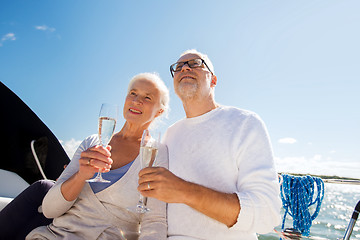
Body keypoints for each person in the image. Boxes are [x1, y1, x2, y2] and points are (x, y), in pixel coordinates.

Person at [138, 50, 282, 239]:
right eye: (178, 67)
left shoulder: (245, 123)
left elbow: (266, 215)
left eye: (195, 63)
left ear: (213, 80)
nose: (185, 68)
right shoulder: (170, 134)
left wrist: (184, 191)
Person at [25, 72, 170, 240]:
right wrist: (81, 176)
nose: (137, 101)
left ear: (159, 111)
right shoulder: (91, 142)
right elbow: (49, 210)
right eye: (133, 93)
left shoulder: (156, 153)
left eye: (148, 98)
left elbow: (154, 220)